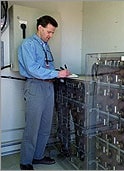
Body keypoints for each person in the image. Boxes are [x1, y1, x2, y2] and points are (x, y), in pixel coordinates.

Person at [18, 15, 70, 170]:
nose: (51, 35)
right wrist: (56, 74)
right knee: (32, 127)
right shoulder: (28, 45)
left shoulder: (45, 46)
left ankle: (38, 156)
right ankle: (26, 161)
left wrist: (59, 73)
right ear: (40, 28)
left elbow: (46, 67)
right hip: (35, 87)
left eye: (53, 33)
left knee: (46, 126)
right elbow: (32, 69)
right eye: (49, 32)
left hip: (48, 87)